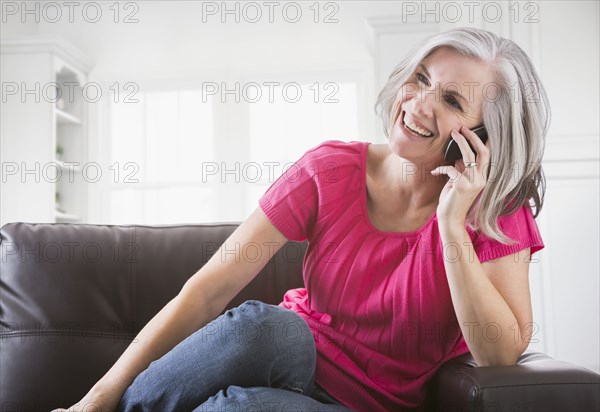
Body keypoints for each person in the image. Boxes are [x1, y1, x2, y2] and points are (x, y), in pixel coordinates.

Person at [53, 26, 550, 412]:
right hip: (291, 353)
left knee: (239, 408)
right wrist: (96, 398)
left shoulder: (495, 212)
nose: (418, 104)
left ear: (484, 135)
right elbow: (206, 291)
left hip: (368, 404)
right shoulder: (330, 169)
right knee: (263, 326)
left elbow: (499, 356)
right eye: (420, 79)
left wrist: (450, 224)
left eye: (450, 100)